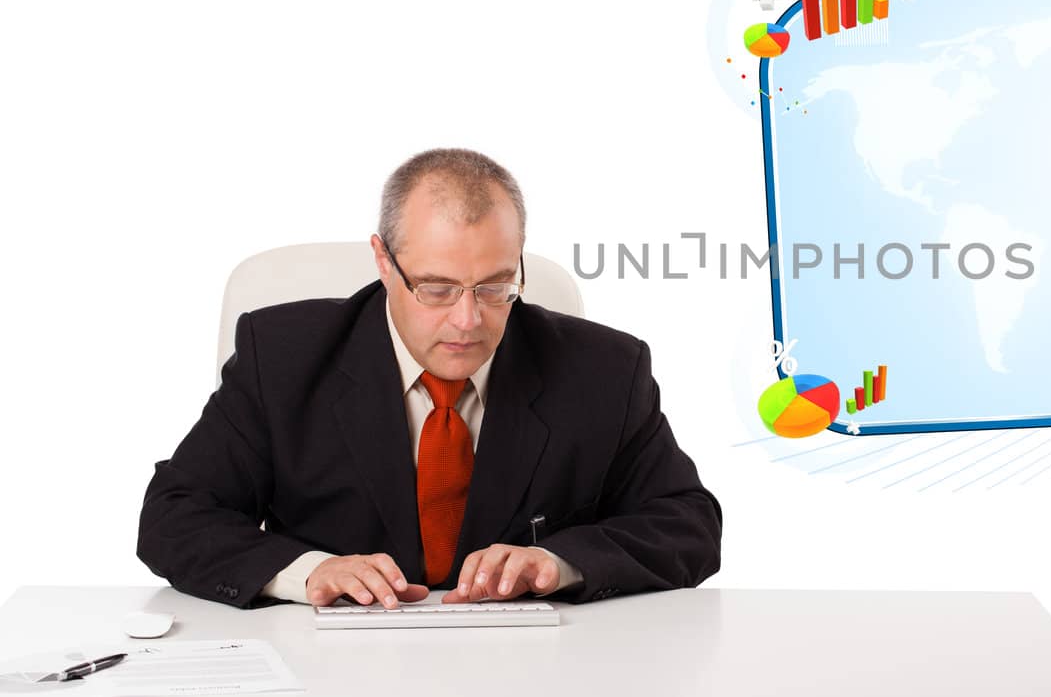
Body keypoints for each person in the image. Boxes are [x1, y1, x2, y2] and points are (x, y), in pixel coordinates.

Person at [137, 148, 721, 608]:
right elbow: (174, 515)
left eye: (494, 286)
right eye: (436, 289)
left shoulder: (605, 370)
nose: (468, 320)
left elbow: (688, 522)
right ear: (384, 263)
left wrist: (562, 563)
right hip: (331, 667)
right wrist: (308, 573)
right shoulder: (283, 357)